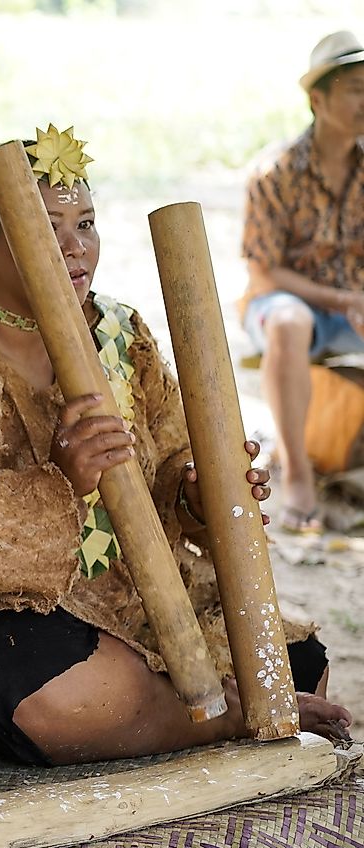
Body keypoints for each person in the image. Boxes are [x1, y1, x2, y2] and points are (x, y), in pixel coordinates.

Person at [0, 126, 353, 768]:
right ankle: (213, 720)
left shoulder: (118, 331)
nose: (75, 249)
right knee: (23, 673)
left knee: (298, 657)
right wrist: (60, 483)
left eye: (86, 223)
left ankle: (183, 709)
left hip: (128, 597)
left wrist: (196, 491)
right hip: (6, 614)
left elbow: (169, 458)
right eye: (48, 227)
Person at [241, 30, 364, 535]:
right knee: (288, 320)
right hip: (286, 306)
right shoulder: (274, 172)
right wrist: (341, 298)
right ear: (318, 99)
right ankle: (296, 474)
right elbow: (264, 271)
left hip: (355, 305)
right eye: (356, 88)